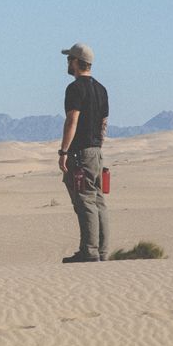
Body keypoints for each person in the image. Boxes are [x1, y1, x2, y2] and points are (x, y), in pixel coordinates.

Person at [57, 43, 109, 263]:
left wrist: (64, 151)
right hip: (96, 152)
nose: (67, 63)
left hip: (81, 153)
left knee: (85, 201)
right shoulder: (101, 89)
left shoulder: (75, 88)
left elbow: (72, 120)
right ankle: (102, 251)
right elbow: (104, 123)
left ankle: (89, 251)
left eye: (70, 59)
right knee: (98, 201)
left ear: (77, 62)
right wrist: (97, 147)